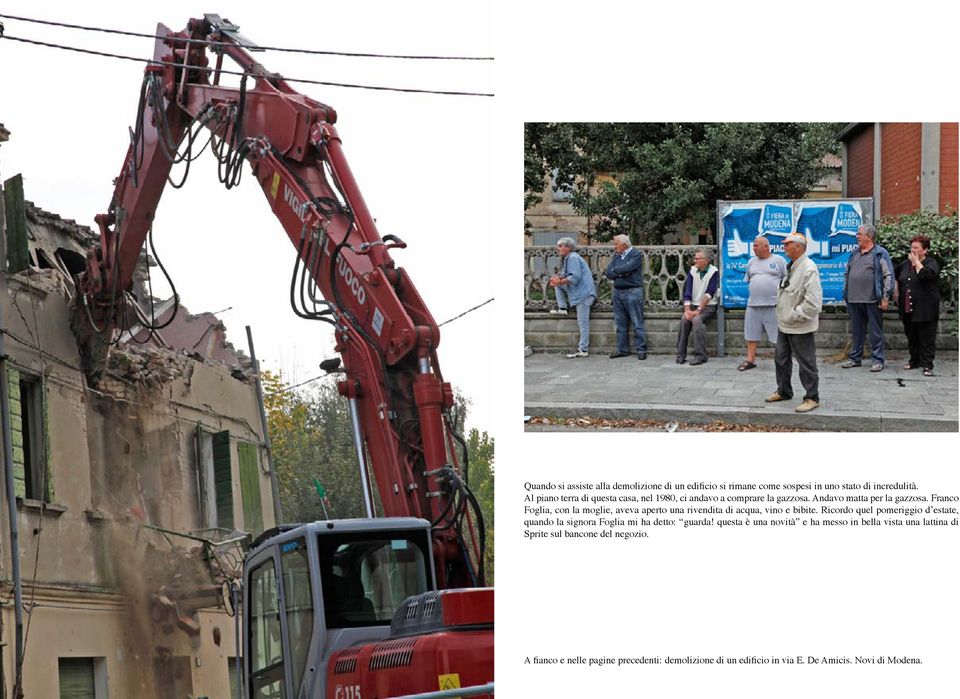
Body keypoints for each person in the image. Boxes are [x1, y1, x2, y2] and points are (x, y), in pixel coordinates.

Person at [766, 232, 823, 413]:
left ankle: (812, 397)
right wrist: (786, 316)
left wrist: (794, 315)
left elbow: (813, 304)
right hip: (785, 324)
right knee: (781, 359)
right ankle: (784, 391)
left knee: (806, 362)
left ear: (799, 247)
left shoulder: (808, 268)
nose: (784, 247)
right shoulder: (792, 266)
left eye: (788, 244)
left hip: (799, 326)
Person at [841, 224, 894, 372]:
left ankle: (878, 360)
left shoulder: (880, 253)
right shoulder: (854, 253)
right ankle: (855, 358)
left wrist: (885, 297)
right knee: (857, 331)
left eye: (859, 234)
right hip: (854, 299)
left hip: (872, 300)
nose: (857, 236)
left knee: (876, 332)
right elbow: (847, 273)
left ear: (869, 237)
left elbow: (888, 275)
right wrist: (846, 292)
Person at [739, 236, 787, 371]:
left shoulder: (778, 260)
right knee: (751, 334)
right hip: (753, 304)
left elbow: (786, 278)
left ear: (766, 246)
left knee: (777, 336)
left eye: (756, 245)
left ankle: (781, 361)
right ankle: (750, 360)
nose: (753, 248)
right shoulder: (751, 262)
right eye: (753, 245)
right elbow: (748, 279)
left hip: (773, 304)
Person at [896, 235, 940, 377]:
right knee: (912, 336)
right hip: (908, 307)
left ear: (925, 250)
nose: (913, 250)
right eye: (912, 247)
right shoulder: (904, 264)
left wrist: (917, 263)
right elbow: (897, 277)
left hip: (926, 308)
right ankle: (914, 360)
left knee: (926, 338)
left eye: (916, 248)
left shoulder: (931, 263)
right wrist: (896, 292)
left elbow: (926, 275)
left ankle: (927, 365)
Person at [549, 236, 596, 358]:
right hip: (579, 293)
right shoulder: (568, 258)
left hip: (584, 294)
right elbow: (565, 274)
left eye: (560, 246)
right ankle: (563, 308)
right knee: (557, 285)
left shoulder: (573, 258)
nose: (557, 248)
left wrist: (559, 281)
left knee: (582, 323)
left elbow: (575, 278)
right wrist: (556, 279)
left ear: (568, 248)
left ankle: (583, 349)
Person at [604, 234, 647, 360]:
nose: (614, 246)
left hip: (633, 291)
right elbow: (608, 273)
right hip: (618, 292)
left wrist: (617, 271)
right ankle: (622, 349)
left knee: (637, 322)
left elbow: (629, 267)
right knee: (620, 323)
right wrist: (621, 272)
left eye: (616, 244)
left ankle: (641, 350)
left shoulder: (635, 254)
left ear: (624, 244)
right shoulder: (617, 256)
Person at [676, 249, 718, 366]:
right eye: (695, 258)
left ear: (706, 260)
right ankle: (680, 354)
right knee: (684, 320)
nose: (695, 261)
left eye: (698, 258)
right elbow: (687, 291)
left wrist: (698, 310)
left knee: (697, 320)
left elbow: (709, 293)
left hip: (708, 306)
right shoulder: (693, 270)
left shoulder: (713, 272)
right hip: (693, 304)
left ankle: (701, 355)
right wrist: (687, 309)